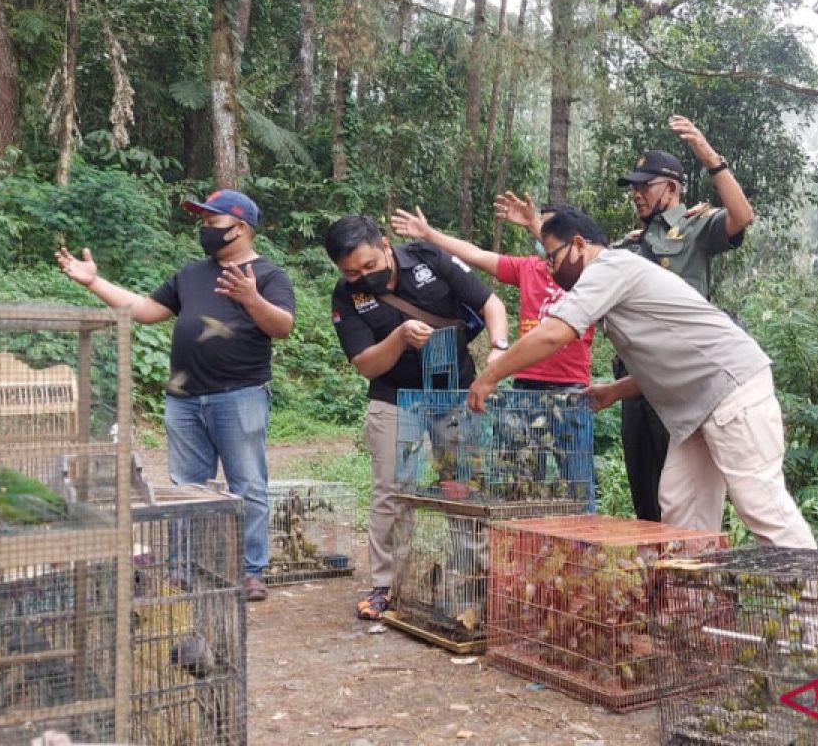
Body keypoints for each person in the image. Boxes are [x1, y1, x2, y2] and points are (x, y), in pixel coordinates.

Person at [466, 207, 815, 549]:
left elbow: (553, 333)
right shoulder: (614, 277)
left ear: (578, 245)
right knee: (681, 507)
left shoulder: (608, 267)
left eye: (552, 257)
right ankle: (692, 602)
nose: (550, 269)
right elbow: (666, 358)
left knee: (761, 504)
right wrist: (616, 391)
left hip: (732, 389)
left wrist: (491, 374)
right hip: (695, 408)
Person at [57, 189, 296, 602]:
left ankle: (250, 570)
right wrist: (95, 282)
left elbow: (283, 326)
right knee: (186, 487)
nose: (205, 229)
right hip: (184, 399)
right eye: (203, 222)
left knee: (248, 484)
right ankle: (183, 568)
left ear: (240, 228)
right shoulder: (190, 274)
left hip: (239, 395)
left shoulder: (269, 275)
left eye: (212, 222)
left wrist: (251, 298)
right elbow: (147, 311)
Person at [325, 215, 508, 620]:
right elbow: (366, 365)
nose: (362, 276)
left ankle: (473, 583)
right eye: (351, 272)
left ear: (386, 245)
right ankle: (386, 585)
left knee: (463, 488)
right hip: (394, 397)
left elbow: (490, 303)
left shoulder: (428, 259)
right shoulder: (346, 297)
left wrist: (498, 350)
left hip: (456, 392)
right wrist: (399, 337)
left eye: (369, 266)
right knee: (391, 490)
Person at [389, 202, 596, 504]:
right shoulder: (528, 269)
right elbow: (475, 254)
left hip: (572, 391)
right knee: (522, 480)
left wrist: (531, 224)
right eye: (542, 232)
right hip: (525, 390)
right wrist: (429, 234)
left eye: (551, 233)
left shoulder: (589, 276)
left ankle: (584, 544)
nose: (544, 241)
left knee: (577, 480)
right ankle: (530, 547)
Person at [613, 115, 755, 523]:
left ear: (672, 188)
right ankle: (655, 584)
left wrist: (709, 156)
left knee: (683, 496)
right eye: (634, 188)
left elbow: (741, 216)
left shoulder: (696, 229)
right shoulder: (632, 243)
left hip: (679, 377)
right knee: (643, 491)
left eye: (645, 186)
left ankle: (690, 578)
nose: (637, 194)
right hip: (633, 377)